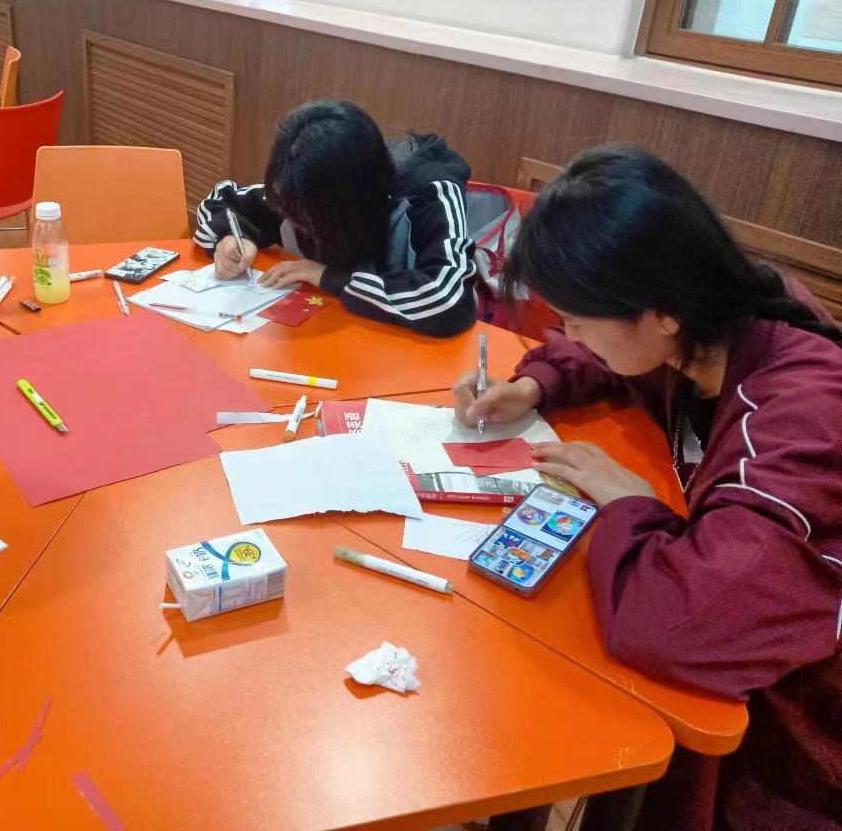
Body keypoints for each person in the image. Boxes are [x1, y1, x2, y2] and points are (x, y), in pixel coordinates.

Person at [453, 146, 841, 831]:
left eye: (576, 318)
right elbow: (609, 356)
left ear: (660, 311)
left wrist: (631, 505)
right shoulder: (713, 321)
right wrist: (534, 384)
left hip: (797, 735)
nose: (567, 333)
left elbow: (678, 624)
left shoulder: (798, 413)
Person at [193, 100, 477, 336]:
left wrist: (332, 278)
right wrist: (232, 237)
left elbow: (449, 300)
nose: (297, 221)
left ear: (344, 207)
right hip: (329, 337)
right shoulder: (297, 187)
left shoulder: (429, 194)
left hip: (405, 356)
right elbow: (221, 201)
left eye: (309, 218)